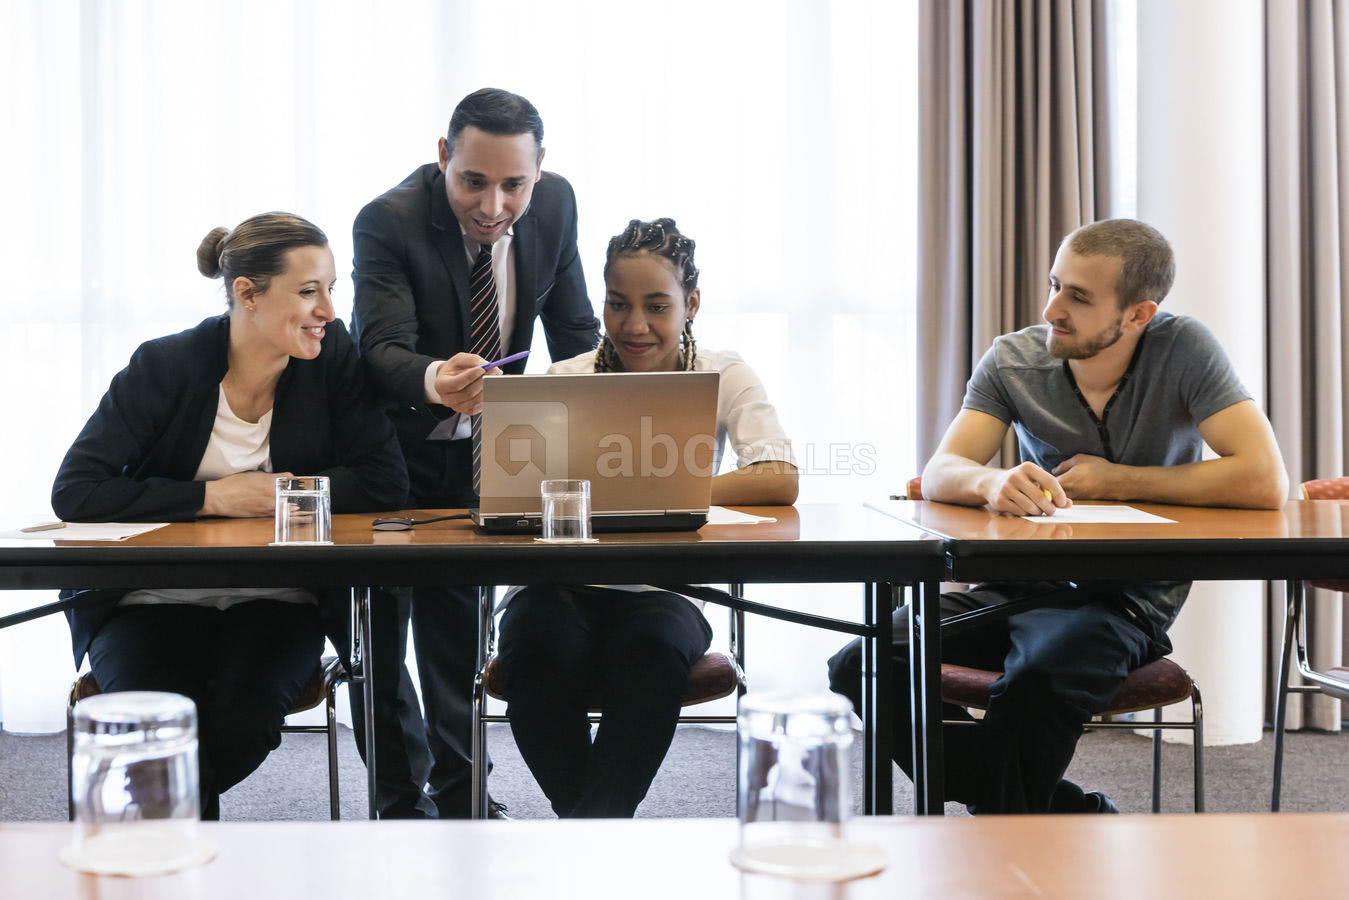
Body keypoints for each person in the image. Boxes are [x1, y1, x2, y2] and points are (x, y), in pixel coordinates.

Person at [827, 218, 1288, 814]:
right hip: (1016, 585)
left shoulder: (1184, 349)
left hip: (1122, 603)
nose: (1052, 310)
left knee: (1040, 679)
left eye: (1079, 297)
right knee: (863, 660)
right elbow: (941, 471)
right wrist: (992, 481)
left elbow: (1263, 479)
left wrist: (1117, 478)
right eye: (1054, 284)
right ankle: (1058, 813)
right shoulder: (1013, 359)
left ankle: (1016, 818)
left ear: (1138, 314)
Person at [51, 213, 408, 819]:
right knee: (155, 728)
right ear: (247, 293)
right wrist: (213, 498)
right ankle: (191, 846)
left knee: (238, 724)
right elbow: (77, 490)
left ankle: (175, 840)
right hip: (149, 599)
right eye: (308, 291)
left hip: (279, 598)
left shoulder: (332, 358)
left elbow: (384, 481)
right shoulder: (165, 365)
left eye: (331, 289)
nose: (327, 310)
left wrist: (281, 493)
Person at [351, 87, 599, 818]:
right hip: (392, 450)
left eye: (513, 184)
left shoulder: (556, 206)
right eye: (473, 181)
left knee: (457, 635)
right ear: (442, 157)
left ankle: (461, 801)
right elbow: (380, 347)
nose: (494, 206)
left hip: (489, 455)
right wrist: (437, 379)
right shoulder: (388, 221)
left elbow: (576, 334)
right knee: (382, 639)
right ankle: (400, 805)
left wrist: (600, 422)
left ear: (540, 169)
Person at [497, 217, 799, 817]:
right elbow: (515, 496)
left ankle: (588, 833)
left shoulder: (723, 373)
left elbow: (779, 476)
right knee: (537, 648)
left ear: (691, 304)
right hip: (559, 583)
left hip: (668, 590)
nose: (635, 325)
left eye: (657, 306)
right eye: (618, 304)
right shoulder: (564, 379)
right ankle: (599, 831)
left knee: (651, 655)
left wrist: (664, 487)